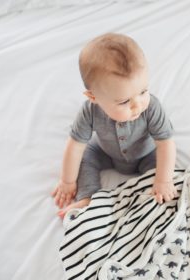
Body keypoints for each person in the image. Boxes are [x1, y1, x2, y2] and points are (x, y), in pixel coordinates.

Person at [51, 33, 177, 219]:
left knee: (158, 177)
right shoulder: (89, 111)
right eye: (124, 101)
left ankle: (140, 203)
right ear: (94, 98)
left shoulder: (152, 108)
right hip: (105, 151)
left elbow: (166, 143)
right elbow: (75, 146)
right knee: (85, 158)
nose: (137, 104)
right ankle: (89, 198)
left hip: (146, 154)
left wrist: (164, 180)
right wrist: (67, 181)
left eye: (143, 91)